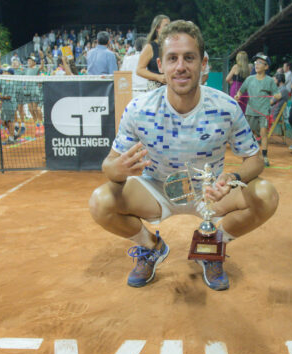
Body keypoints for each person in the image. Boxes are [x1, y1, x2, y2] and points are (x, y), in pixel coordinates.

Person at [89, 20, 278, 291]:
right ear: (160, 65)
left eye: (189, 57)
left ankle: (211, 246)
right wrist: (117, 169)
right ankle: (151, 247)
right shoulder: (139, 109)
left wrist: (232, 177)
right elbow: (109, 165)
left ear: (203, 63)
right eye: (173, 58)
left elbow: (255, 159)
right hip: (155, 190)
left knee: (266, 195)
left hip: (210, 192)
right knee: (100, 202)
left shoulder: (226, 107)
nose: (181, 66)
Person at [235, 52, 277, 167]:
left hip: (263, 111)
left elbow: (277, 94)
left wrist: (274, 98)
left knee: (263, 133)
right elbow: (241, 90)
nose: (256, 65)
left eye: (260, 62)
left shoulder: (269, 81)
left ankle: (265, 156)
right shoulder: (249, 79)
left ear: (266, 66)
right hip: (250, 111)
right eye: (255, 62)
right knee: (250, 134)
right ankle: (250, 155)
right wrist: (238, 95)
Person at [137, 14, 170, 90]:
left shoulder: (171, 46)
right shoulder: (150, 47)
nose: (169, 29)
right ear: (157, 28)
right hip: (155, 89)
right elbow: (139, 70)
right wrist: (158, 77)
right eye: (166, 26)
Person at [269, 73, 290, 138]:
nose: (274, 82)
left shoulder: (283, 90)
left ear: (279, 80)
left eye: (275, 80)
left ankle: (260, 136)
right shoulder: (281, 89)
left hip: (273, 114)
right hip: (272, 112)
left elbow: (271, 102)